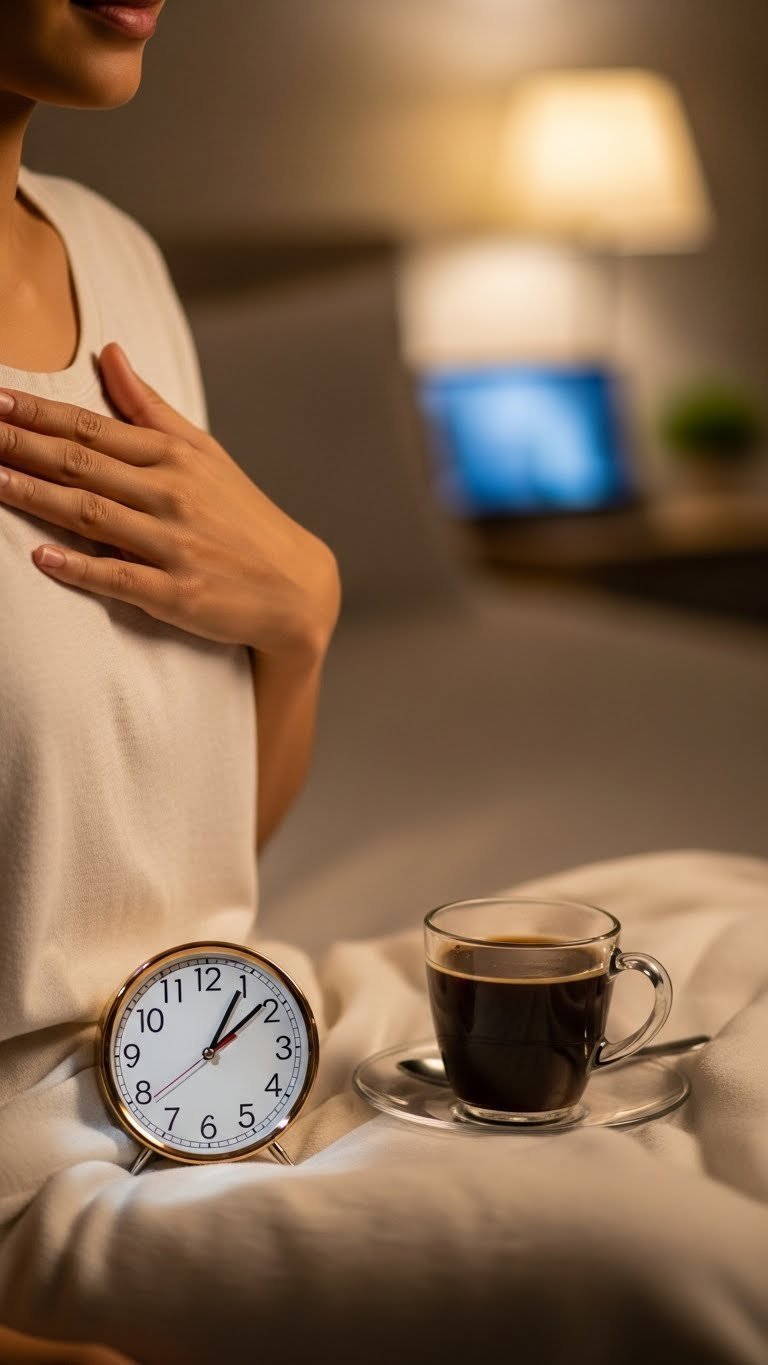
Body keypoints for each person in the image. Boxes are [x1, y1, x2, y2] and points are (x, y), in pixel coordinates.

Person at [0, 2, 339, 1358]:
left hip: (221, 1066)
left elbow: (184, 860)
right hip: (40, 1187)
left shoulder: (120, 260)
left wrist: (303, 615)